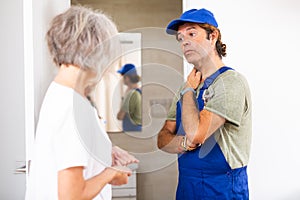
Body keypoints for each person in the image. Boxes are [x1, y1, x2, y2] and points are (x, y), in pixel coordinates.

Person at [25, 6, 138, 200]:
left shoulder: (62, 94)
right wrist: (111, 173)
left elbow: (67, 151)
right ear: (96, 51)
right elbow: (71, 196)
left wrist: (104, 151)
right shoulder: (71, 107)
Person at [157, 8, 252, 199]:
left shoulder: (230, 82)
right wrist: (184, 143)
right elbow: (162, 138)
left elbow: (196, 134)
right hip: (187, 186)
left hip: (221, 188)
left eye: (192, 33)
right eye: (181, 38)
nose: (185, 42)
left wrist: (188, 92)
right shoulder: (187, 88)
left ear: (213, 36)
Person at [117, 63, 142, 132]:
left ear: (127, 78)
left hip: (132, 131)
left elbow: (120, 116)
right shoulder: (140, 91)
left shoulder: (131, 94)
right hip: (138, 130)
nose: (122, 79)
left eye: (122, 77)